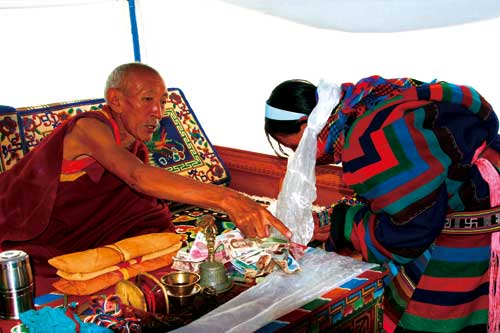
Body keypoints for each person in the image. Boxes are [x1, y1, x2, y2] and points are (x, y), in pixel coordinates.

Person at [0, 62, 291, 277]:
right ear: (115, 100)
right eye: (148, 99)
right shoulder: (89, 128)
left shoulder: (133, 144)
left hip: (87, 234)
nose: (159, 112)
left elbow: (133, 199)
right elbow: (138, 178)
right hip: (37, 234)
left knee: (155, 232)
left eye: (163, 101)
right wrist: (229, 199)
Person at [264, 75, 500, 333]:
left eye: (293, 147)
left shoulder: (366, 140)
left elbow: (408, 236)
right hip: (478, 186)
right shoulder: (366, 102)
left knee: (433, 311)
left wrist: (343, 225)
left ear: (303, 124)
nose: (300, 156)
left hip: (473, 211)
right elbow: (412, 182)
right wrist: (343, 215)